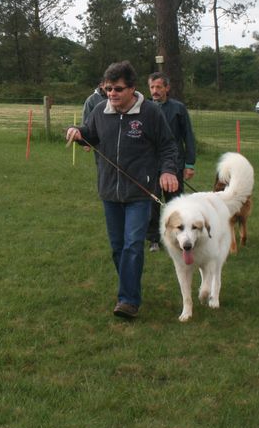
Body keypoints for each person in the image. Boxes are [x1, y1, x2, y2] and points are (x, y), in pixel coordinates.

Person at [66, 61, 178, 320]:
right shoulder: (99, 111)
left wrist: (168, 171)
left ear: (132, 89)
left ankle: (128, 300)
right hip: (109, 192)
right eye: (108, 89)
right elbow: (90, 134)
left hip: (140, 193)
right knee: (118, 247)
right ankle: (131, 287)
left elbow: (168, 146)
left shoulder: (150, 113)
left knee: (132, 245)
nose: (112, 95)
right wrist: (76, 132)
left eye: (117, 89)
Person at [146, 71, 197, 252]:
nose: (155, 91)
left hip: (174, 163)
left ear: (167, 88)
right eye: (152, 87)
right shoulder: (144, 108)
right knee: (152, 202)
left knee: (175, 203)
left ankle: (178, 237)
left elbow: (188, 137)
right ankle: (153, 239)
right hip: (150, 164)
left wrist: (189, 164)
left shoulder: (178, 108)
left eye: (159, 87)